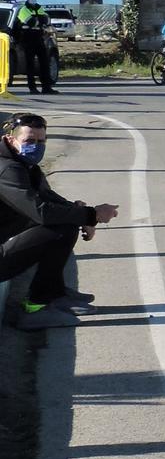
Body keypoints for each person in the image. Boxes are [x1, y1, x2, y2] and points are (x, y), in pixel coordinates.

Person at [0, 113, 117, 331]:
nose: (36, 146)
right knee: (60, 228)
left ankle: (54, 293)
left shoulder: (22, 163)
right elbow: (41, 212)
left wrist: (81, 212)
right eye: (29, 141)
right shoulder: (7, 169)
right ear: (10, 139)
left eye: (42, 141)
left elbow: (47, 196)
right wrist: (92, 215)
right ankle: (35, 307)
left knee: (65, 222)